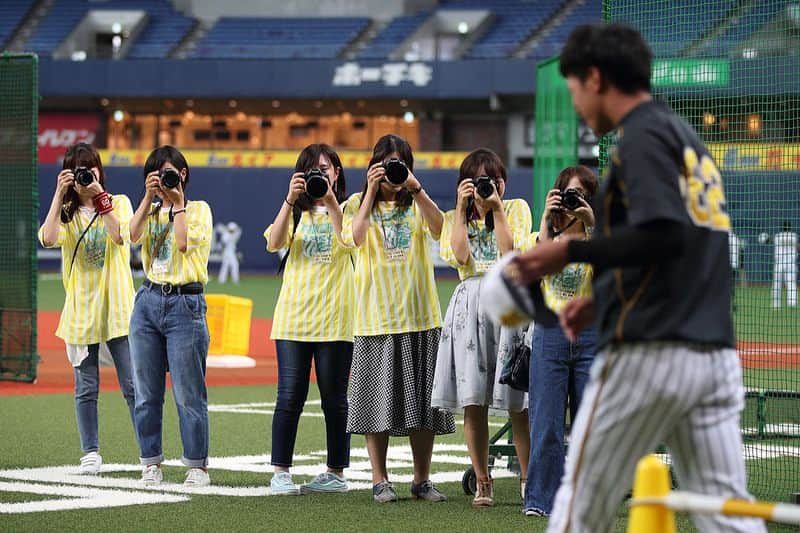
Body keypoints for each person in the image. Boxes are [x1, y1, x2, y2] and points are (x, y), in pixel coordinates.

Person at [510, 23, 766, 532]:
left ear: (596, 78)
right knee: (727, 516)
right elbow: (679, 253)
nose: (578, 104)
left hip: (651, 353)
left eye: (575, 88)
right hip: (713, 354)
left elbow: (661, 235)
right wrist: (603, 299)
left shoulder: (641, 140)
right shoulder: (684, 137)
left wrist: (571, 250)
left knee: (578, 508)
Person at [342, 134, 455, 503]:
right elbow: (354, 239)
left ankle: (422, 479)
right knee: (376, 405)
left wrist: (417, 188)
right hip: (375, 320)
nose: (392, 171)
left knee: (425, 406)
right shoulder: (357, 204)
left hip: (420, 317)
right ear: (373, 166)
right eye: (387, 164)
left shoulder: (416, 204)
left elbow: (441, 230)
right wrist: (371, 192)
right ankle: (379, 478)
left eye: (399, 164)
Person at [431, 148, 531, 508]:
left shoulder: (516, 208)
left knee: (519, 401)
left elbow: (509, 254)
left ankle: (527, 479)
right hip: (469, 304)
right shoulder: (452, 217)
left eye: (495, 178)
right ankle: (483, 482)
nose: (490, 186)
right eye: (479, 180)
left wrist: (497, 208)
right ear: (464, 185)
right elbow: (459, 257)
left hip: (506, 300)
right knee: (474, 401)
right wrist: (460, 209)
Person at [38, 142, 136, 475]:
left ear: (99, 171)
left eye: (91, 168)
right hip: (81, 313)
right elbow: (49, 238)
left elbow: (120, 236)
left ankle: (148, 452)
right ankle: (90, 452)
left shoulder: (119, 203)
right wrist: (58, 194)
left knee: (134, 388)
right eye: (79, 170)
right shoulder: (66, 215)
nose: (85, 174)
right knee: (86, 388)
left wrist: (99, 198)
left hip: (119, 312)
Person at [264, 144, 354, 495]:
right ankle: (281, 471)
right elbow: (273, 242)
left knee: (335, 399)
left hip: (336, 319)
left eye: (328, 167)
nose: (322, 173)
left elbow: (351, 240)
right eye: (314, 168)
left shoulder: (348, 208)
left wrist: (330, 200)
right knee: (289, 397)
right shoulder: (296, 214)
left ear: (338, 173)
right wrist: (290, 199)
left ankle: (335, 472)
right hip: (293, 320)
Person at [128, 145, 213, 487]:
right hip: (148, 300)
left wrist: (176, 203)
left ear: (183, 174)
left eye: (169, 174)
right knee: (146, 393)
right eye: (157, 175)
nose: (164, 180)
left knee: (188, 393)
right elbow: (131, 236)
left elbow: (181, 244)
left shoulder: (199, 210)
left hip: (184, 304)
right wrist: (148, 200)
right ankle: (151, 462)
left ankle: (196, 465)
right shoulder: (150, 211)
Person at [524, 165, 597, 518]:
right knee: (547, 424)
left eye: (580, 195)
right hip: (550, 334)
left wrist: (593, 224)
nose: (572, 201)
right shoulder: (548, 238)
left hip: (590, 334)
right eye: (568, 193)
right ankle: (539, 499)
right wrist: (545, 222)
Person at [771, 221, 798, 308]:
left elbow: (770, 240)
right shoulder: (794, 236)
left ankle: (776, 304)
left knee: (776, 284)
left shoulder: (778, 236)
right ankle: (792, 303)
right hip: (791, 263)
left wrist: (766, 238)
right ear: (790, 227)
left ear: (782, 227)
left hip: (779, 263)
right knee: (791, 283)